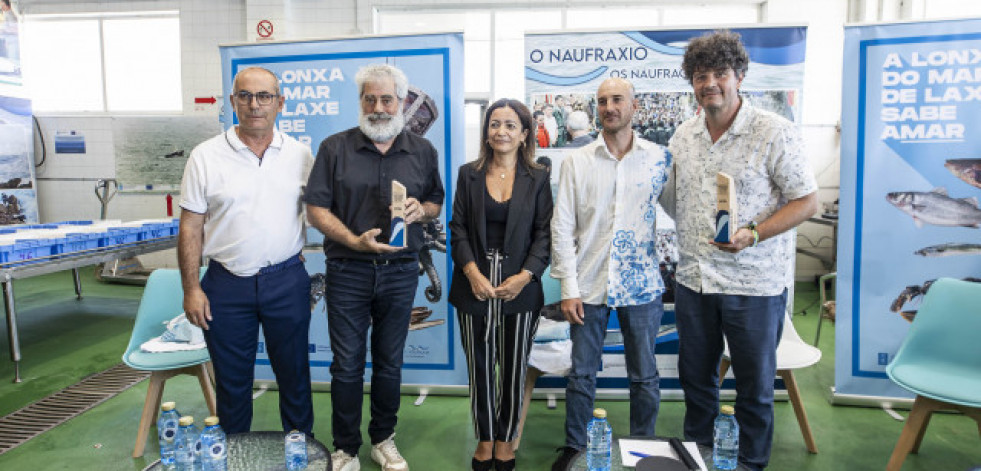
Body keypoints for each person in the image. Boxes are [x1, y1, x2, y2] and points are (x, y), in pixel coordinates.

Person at [664, 30, 818, 471]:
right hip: (694, 282)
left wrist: (753, 231)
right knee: (696, 382)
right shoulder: (683, 135)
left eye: (719, 73)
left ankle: (750, 463)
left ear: (740, 76)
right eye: (699, 75)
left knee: (753, 390)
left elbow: (807, 201)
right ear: (691, 83)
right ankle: (698, 457)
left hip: (754, 286)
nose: (709, 82)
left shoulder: (774, 132)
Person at [304, 63, 444, 471]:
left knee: (389, 361)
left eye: (387, 99)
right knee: (346, 364)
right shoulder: (335, 148)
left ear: (401, 102)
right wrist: (352, 240)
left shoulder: (422, 151)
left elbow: (436, 200)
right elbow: (316, 209)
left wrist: (423, 209)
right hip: (348, 270)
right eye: (370, 99)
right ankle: (345, 448)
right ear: (361, 102)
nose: (379, 107)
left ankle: (383, 439)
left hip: (401, 272)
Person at [178, 66, 314, 436]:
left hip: (286, 280)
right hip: (226, 284)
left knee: (295, 378)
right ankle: (235, 454)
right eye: (245, 96)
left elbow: (317, 213)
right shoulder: (204, 156)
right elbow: (190, 226)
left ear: (280, 103)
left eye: (264, 96)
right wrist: (191, 288)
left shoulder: (301, 155)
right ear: (233, 101)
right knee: (233, 385)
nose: (255, 105)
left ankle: (299, 454)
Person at [550, 77, 672, 471]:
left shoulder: (658, 158)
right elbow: (562, 226)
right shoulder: (576, 161)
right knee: (582, 376)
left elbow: (682, 212)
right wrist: (568, 288)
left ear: (634, 106)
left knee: (645, 377)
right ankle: (577, 449)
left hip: (642, 287)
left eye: (617, 99)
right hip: (588, 285)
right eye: (602, 101)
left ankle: (644, 447)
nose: (609, 107)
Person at [448, 98, 553, 471]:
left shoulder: (539, 177)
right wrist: (472, 273)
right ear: (486, 131)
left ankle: (506, 440)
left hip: (520, 286)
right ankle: (485, 437)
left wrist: (526, 276)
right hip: (473, 284)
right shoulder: (468, 173)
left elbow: (545, 234)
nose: (501, 132)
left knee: (512, 367)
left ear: (524, 133)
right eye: (495, 124)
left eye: (510, 125)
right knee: (479, 367)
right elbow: (457, 228)